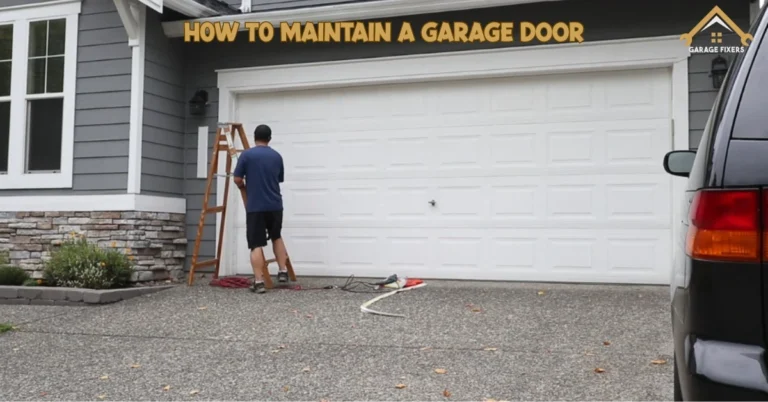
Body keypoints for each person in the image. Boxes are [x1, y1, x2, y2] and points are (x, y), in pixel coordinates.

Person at [233, 124, 289, 294]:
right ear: (269, 138)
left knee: (256, 244)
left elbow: (236, 179)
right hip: (275, 205)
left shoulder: (247, 155)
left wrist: (243, 185)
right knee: (276, 236)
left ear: (254, 137)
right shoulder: (277, 156)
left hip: (256, 207)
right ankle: (282, 271)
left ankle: (258, 282)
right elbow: (278, 179)